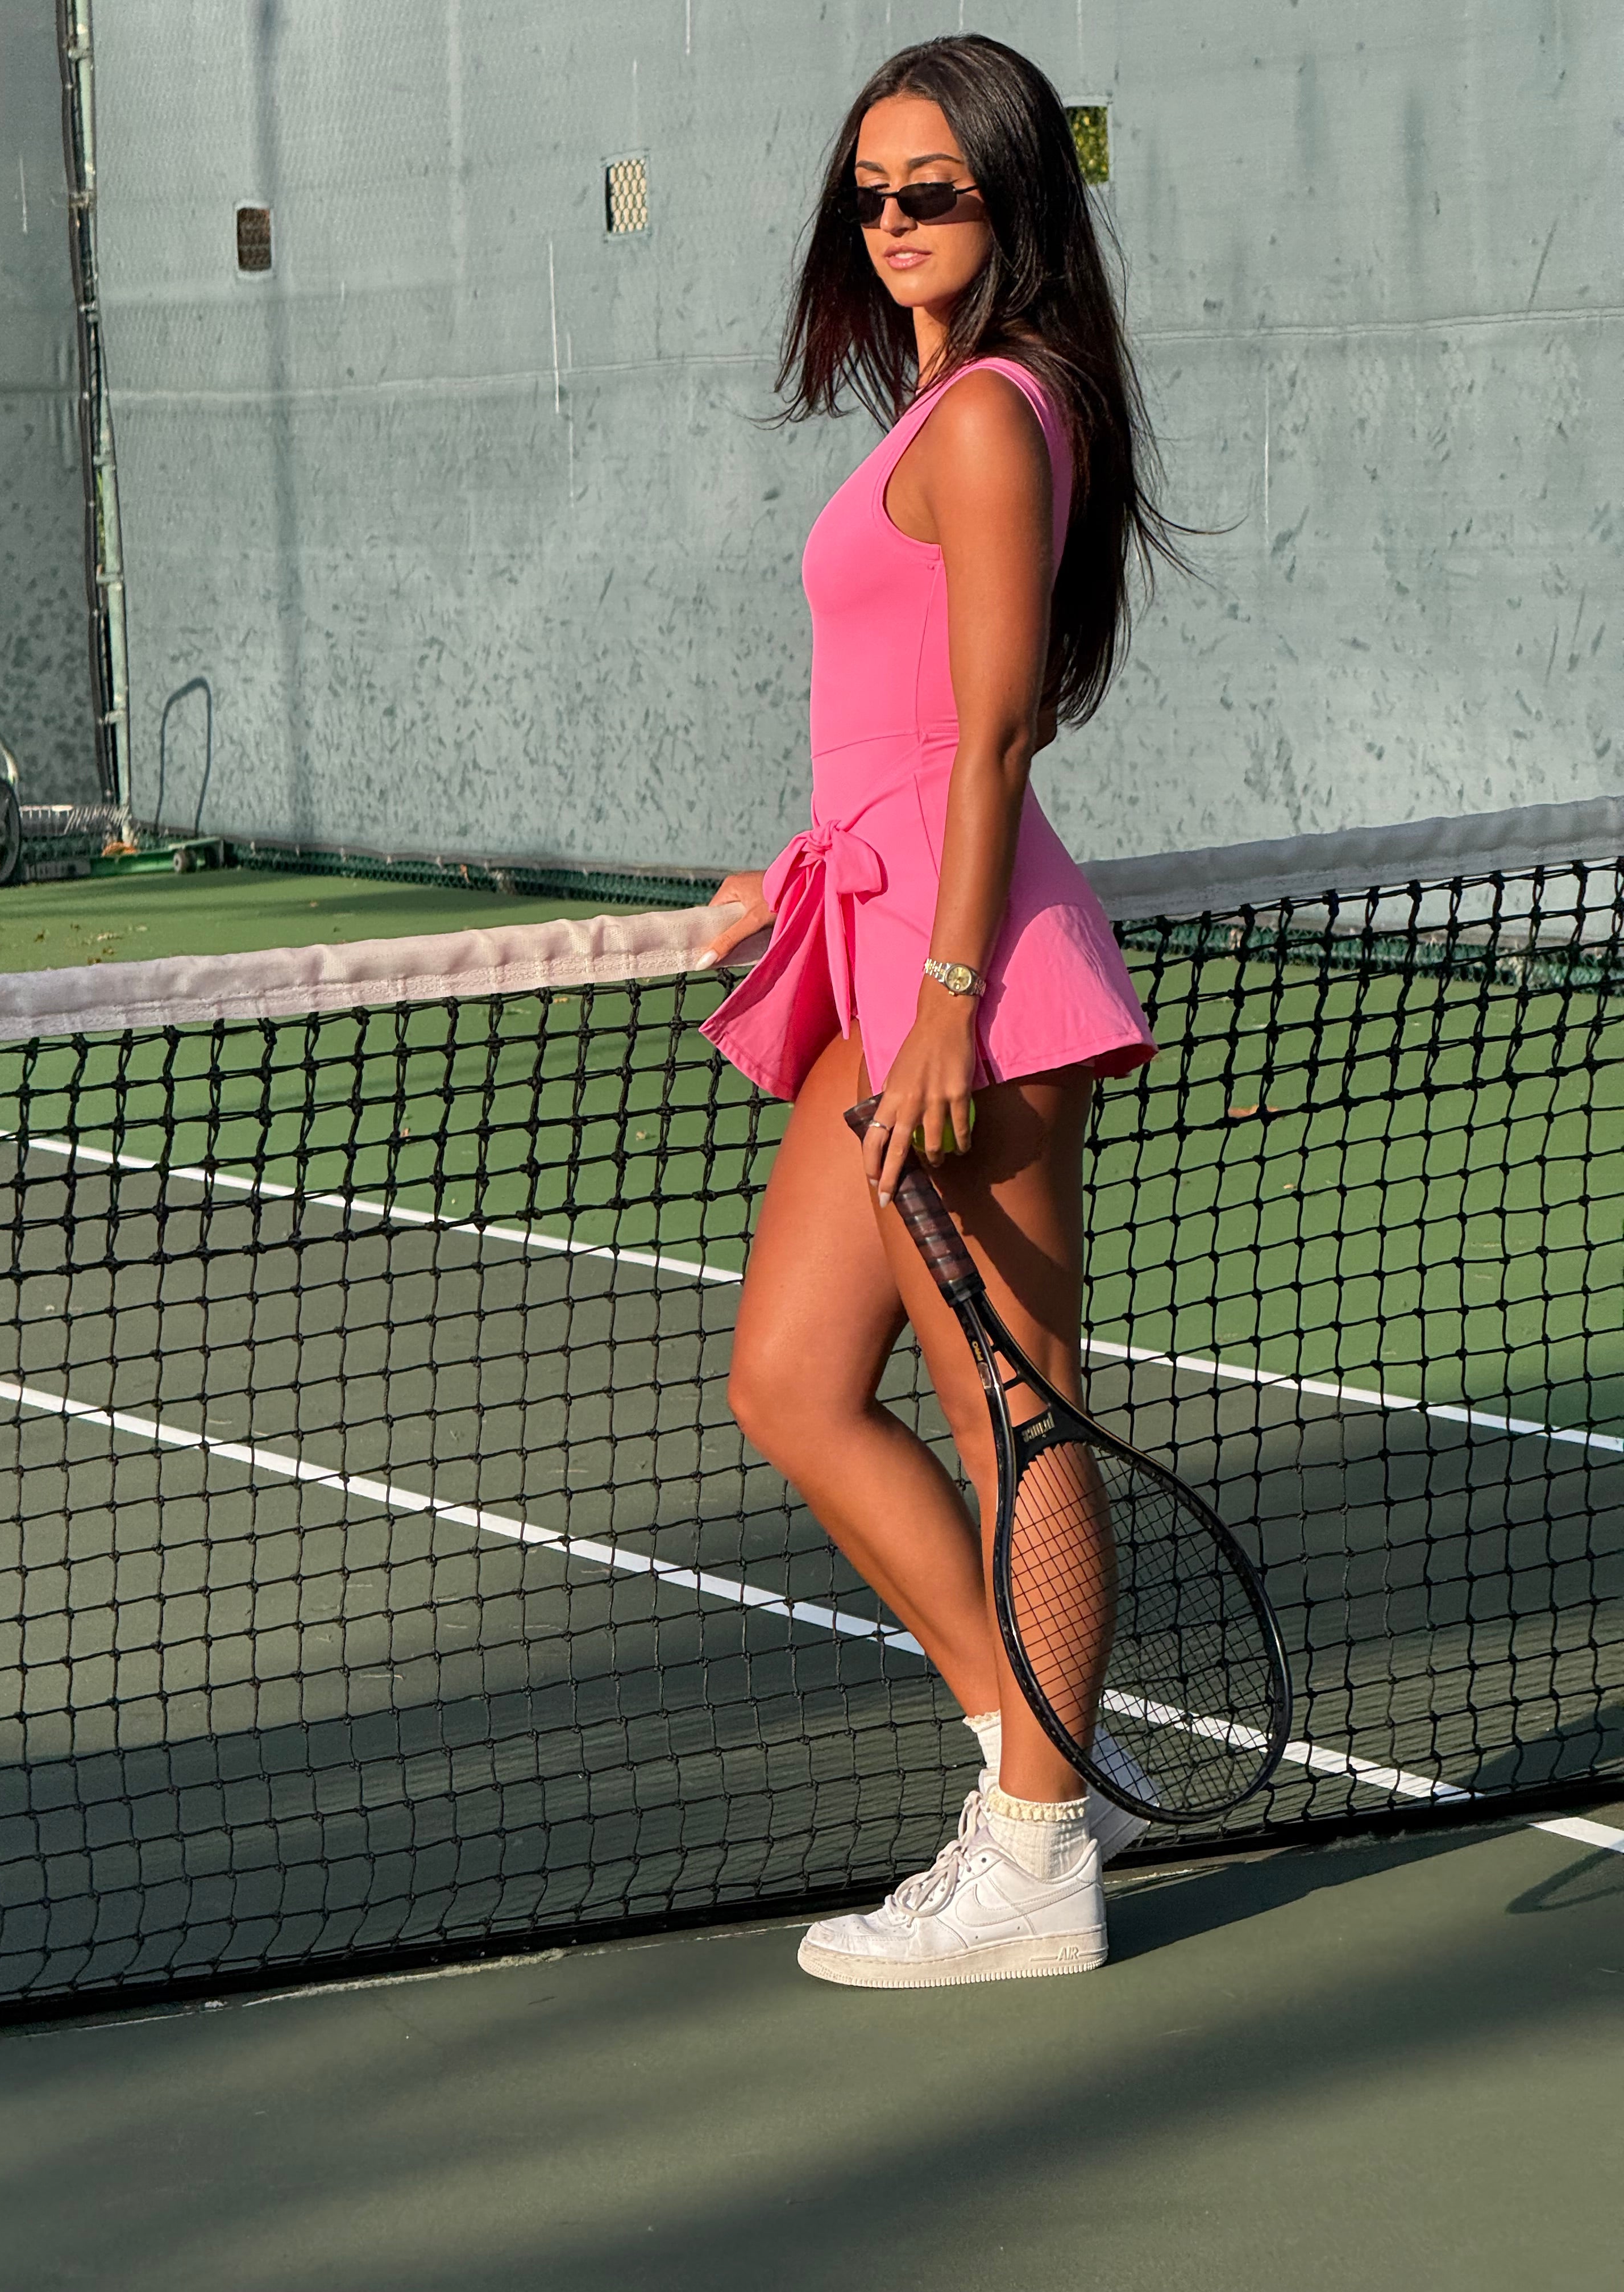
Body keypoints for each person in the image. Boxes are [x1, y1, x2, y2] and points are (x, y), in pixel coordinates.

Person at [697, 34, 1183, 1988]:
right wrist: (796, 874)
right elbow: (898, 731)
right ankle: (1051, 1763)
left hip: (961, 981)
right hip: (878, 943)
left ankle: (1037, 1853)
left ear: (1013, 199)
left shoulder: (991, 414)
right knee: (794, 1381)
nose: (892, 221)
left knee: (1012, 1409)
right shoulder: (937, 407)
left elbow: (989, 738)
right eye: (870, 195)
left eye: (935, 191)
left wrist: (951, 1004)